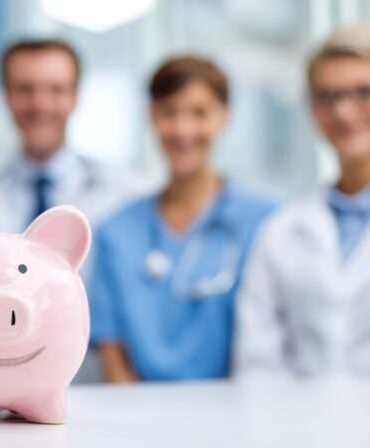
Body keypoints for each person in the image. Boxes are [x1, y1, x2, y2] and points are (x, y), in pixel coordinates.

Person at [234, 25, 370, 378]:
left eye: (364, 92)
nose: (345, 111)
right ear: (313, 111)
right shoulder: (280, 231)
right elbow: (258, 365)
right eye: (328, 96)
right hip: (300, 431)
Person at [89, 56, 276, 382]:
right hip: (139, 420)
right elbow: (112, 356)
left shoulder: (265, 222)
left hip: (238, 415)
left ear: (224, 116)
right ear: (152, 117)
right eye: (169, 112)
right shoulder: (116, 231)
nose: (182, 129)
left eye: (199, 113)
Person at [0, 39, 143, 234]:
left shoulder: (127, 194)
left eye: (56, 90)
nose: (40, 104)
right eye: (25, 89)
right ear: (7, 96)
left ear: (75, 97)